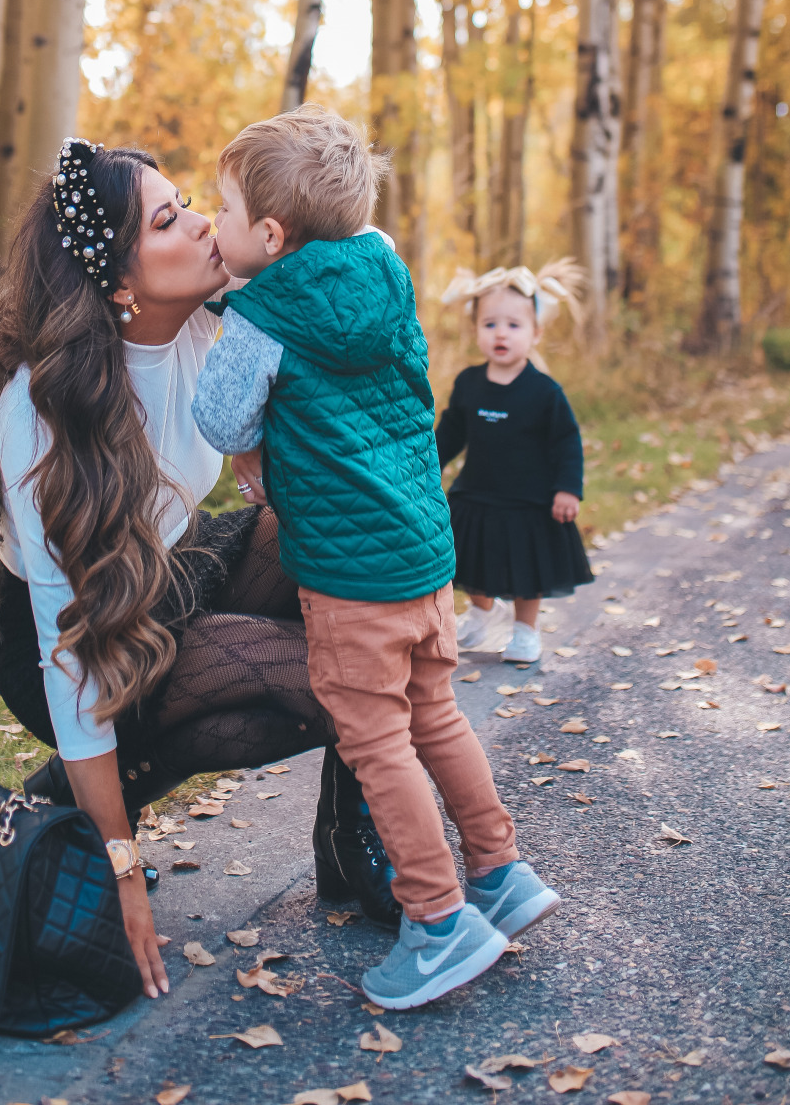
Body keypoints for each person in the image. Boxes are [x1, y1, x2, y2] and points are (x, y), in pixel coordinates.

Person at [0, 137, 397, 1007]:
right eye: (167, 218)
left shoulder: (213, 322)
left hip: (165, 573)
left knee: (336, 556)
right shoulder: (44, 410)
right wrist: (119, 867)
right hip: (70, 641)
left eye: (190, 201)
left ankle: (352, 834)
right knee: (334, 678)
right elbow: (67, 650)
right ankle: (71, 814)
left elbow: (355, 256)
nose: (199, 223)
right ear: (118, 282)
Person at [191, 105, 561, 1013]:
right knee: (435, 715)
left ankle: (435, 921)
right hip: (422, 555)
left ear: (270, 236)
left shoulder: (261, 314)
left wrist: (233, 325)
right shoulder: (385, 264)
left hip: (350, 581)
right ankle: (499, 871)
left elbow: (221, 422)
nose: (210, 225)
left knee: (377, 741)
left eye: (223, 211)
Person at [437, 262, 594, 666]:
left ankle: (525, 631)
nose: (501, 333)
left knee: (529, 568)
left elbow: (566, 441)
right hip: (477, 492)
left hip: (529, 499)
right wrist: (426, 465)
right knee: (469, 556)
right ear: (477, 331)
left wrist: (567, 488)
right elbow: (452, 431)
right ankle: (480, 614)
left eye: (513, 325)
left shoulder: (543, 391)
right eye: (490, 324)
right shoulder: (469, 382)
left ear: (535, 333)